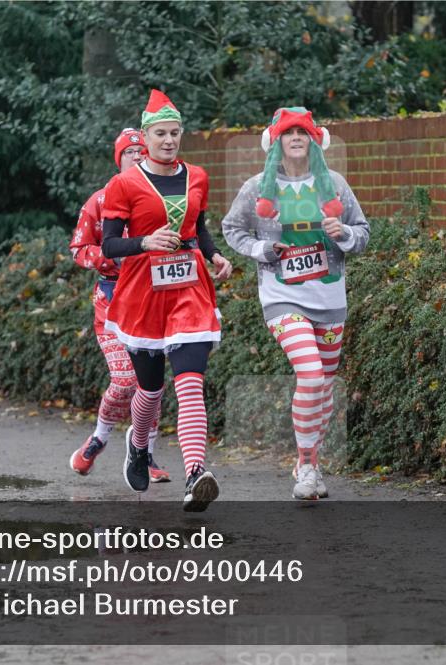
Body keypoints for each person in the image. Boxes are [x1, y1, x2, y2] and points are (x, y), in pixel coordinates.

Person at [222, 108, 369, 500]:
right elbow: (232, 229)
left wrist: (344, 234)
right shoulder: (256, 188)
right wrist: (262, 249)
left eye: (303, 132)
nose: (297, 138)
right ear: (277, 143)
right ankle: (305, 465)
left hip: (329, 297)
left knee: (324, 388)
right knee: (310, 373)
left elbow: (364, 232)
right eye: (289, 133)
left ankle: (312, 461)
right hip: (281, 297)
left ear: (315, 140)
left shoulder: (334, 184)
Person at [100, 89, 232, 511]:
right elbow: (108, 246)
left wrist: (214, 255)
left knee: (191, 380)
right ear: (146, 136)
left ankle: (195, 473)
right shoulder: (125, 184)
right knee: (151, 389)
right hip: (143, 291)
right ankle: (138, 445)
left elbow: (199, 227)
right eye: (161, 133)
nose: (169, 140)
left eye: (175, 133)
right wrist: (144, 241)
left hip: (190, 287)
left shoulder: (197, 176)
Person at [68, 128, 170, 482]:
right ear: (119, 159)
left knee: (151, 384)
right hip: (110, 307)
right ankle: (99, 437)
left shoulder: (161, 198)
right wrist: (110, 260)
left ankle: (147, 455)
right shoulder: (101, 199)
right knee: (126, 380)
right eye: (130, 152)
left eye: (143, 151)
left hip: (151, 302)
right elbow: (78, 249)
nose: (138, 157)